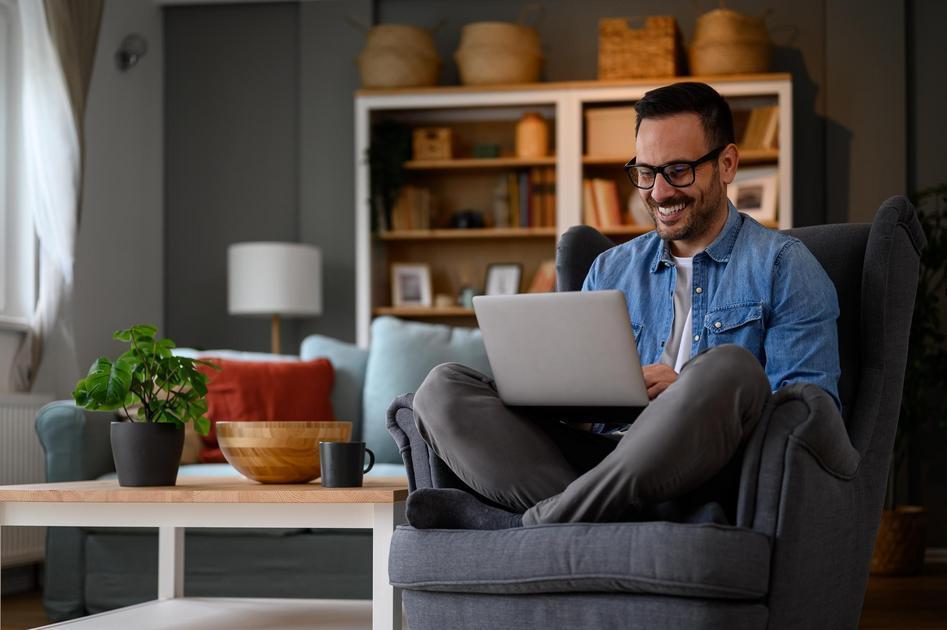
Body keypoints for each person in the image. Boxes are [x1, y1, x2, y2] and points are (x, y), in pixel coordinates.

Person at [406, 82, 841, 530]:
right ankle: (606, 519)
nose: (658, 192)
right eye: (646, 172)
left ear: (727, 163)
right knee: (441, 390)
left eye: (678, 170)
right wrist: (577, 400)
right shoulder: (610, 269)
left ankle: (532, 524)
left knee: (728, 368)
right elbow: (571, 402)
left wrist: (686, 395)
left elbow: (811, 418)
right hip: (601, 460)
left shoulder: (784, 266)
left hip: (708, 469)